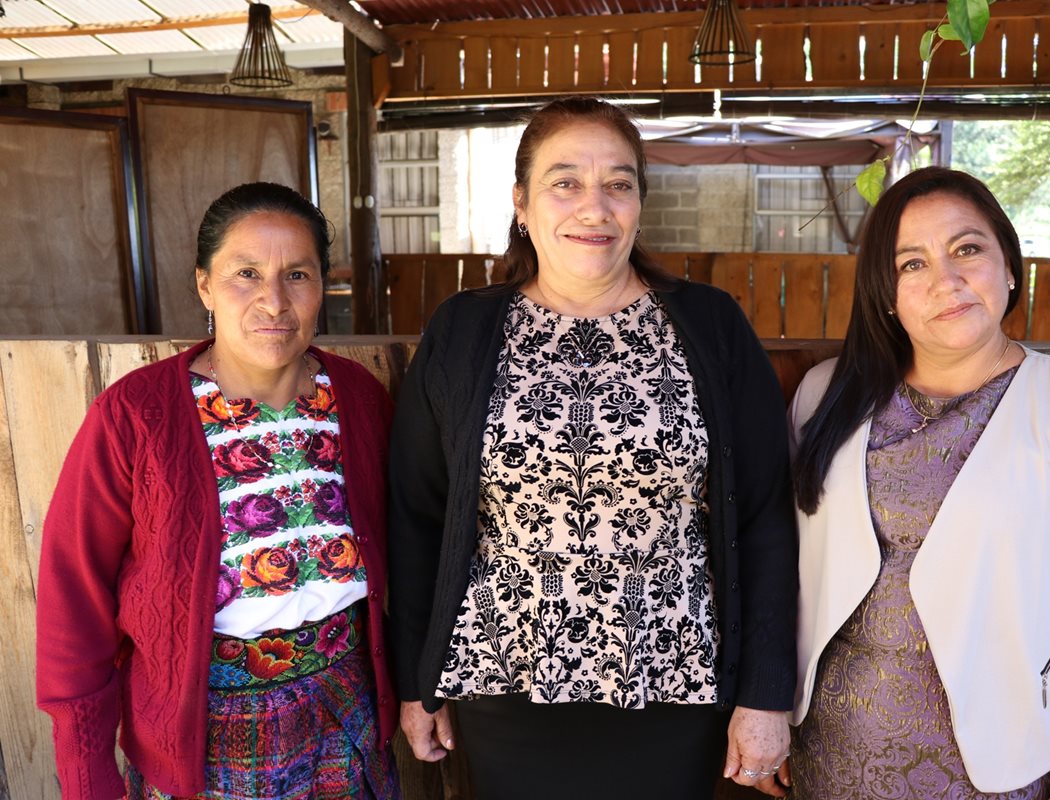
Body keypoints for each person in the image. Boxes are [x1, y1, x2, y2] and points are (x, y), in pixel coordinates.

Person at [388, 96, 798, 800]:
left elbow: (764, 517)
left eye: (618, 183)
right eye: (565, 182)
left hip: (673, 681)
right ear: (522, 203)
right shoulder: (464, 330)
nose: (594, 207)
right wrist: (416, 681)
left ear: (640, 202)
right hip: (503, 680)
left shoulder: (709, 325)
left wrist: (766, 693)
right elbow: (418, 517)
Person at [788, 166, 1050, 799]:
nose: (947, 281)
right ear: (887, 293)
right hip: (829, 753)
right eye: (912, 264)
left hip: (994, 769)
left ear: (1008, 265)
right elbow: (788, 577)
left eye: (967, 249)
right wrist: (770, 715)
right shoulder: (827, 393)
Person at [36, 182, 400, 800]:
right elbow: (75, 592)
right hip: (203, 734)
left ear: (322, 288)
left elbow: (411, 551)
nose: (273, 301)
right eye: (246, 273)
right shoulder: (136, 414)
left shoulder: (360, 401)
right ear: (204, 284)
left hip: (350, 712)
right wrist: (86, 771)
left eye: (298, 275)